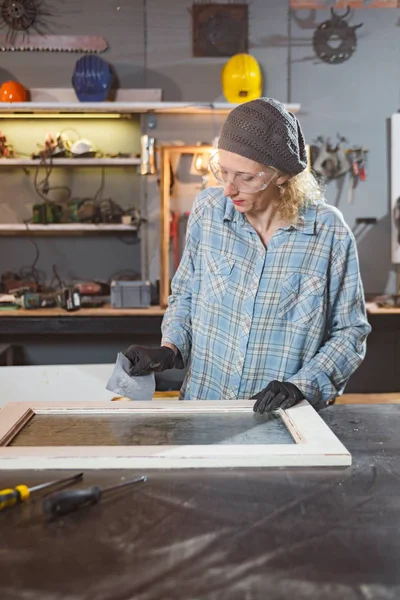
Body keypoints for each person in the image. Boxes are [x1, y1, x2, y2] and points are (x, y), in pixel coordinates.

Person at [123, 98, 371, 413]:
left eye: (246, 178)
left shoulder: (328, 232)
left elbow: (351, 331)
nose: (228, 189)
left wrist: (302, 385)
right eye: (223, 172)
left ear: (281, 175)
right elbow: (186, 294)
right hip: (202, 411)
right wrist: (170, 349)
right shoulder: (209, 212)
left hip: (283, 420)